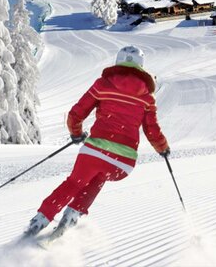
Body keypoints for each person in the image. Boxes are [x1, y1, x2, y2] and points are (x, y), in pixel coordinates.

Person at [24, 45, 169, 238]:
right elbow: (152, 130)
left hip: (95, 151)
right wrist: (163, 148)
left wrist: (76, 133)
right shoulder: (147, 98)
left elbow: (76, 114)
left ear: (118, 62)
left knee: (75, 182)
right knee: (100, 176)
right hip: (123, 162)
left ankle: (42, 219)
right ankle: (73, 214)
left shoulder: (103, 85)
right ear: (141, 66)